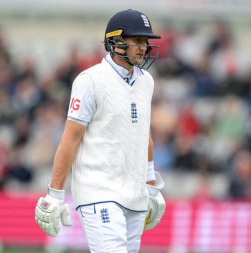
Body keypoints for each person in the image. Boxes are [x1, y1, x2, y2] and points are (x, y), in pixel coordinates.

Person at [34, 9, 166, 253]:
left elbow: (143, 133)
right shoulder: (90, 80)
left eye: (145, 41)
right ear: (115, 41)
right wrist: (55, 193)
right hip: (99, 192)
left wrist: (150, 184)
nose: (144, 47)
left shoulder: (146, 81)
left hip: (134, 193)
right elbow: (71, 139)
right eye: (136, 41)